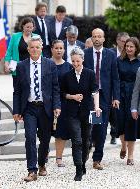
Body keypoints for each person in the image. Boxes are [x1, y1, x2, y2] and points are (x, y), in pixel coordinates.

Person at [13, 36, 61, 182]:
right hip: (29, 108)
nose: (34, 50)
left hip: (45, 107)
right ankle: (32, 170)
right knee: (30, 137)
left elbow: (55, 88)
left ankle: (41, 164)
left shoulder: (50, 65)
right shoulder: (21, 66)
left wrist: (57, 106)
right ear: (28, 49)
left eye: (37, 47)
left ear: (42, 49)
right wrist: (16, 110)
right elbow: (17, 91)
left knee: (45, 139)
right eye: (32, 47)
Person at [61, 47, 101, 181]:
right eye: (73, 61)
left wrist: (97, 107)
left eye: (78, 61)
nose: (75, 64)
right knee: (76, 141)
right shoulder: (67, 76)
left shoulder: (90, 74)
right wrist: (72, 97)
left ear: (82, 60)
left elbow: (95, 91)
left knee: (86, 141)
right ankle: (78, 168)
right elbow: (62, 94)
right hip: (72, 113)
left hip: (87, 111)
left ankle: (83, 162)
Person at [84, 28, 120, 170]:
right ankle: (86, 149)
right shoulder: (85, 54)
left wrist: (115, 97)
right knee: (87, 125)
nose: (97, 39)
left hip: (104, 96)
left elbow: (115, 78)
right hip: (88, 95)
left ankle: (97, 158)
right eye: (94, 36)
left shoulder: (110, 55)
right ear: (91, 39)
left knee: (102, 127)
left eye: (99, 36)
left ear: (104, 39)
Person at [116, 37, 140, 165]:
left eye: (131, 47)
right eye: (127, 46)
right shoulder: (118, 61)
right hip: (121, 95)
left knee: (132, 125)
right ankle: (123, 146)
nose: (128, 48)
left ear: (136, 48)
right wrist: (115, 97)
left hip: (135, 96)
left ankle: (131, 155)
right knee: (121, 124)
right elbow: (115, 79)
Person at [51, 40, 72, 167]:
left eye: (61, 48)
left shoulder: (68, 66)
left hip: (64, 102)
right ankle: (44, 155)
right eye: (56, 48)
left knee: (61, 131)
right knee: (45, 130)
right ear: (52, 49)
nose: (59, 50)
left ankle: (59, 157)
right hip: (47, 102)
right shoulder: (46, 63)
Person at [4, 17, 38, 87]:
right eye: (27, 27)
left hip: (32, 68)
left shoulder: (37, 37)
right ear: (23, 26)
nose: (29, 29)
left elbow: (40, 53)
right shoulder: (15, 36)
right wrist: (6, 64)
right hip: (17, 68)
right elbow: (9, 51)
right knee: (17, 90)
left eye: (31, 27)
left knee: (29, 90)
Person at [109, 32, 130, 145]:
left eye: (127, 42)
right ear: (117, 41)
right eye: (123, 41)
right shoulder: (110, 53)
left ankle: (115, 134)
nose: (126, 44)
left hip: (123, 87)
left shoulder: (129, 54)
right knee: (111, 112)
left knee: (118, 112)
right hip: (110, 86)